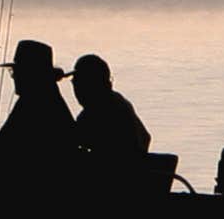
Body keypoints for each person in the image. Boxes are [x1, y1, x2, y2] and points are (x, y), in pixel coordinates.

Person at [0, 39, 80, 192]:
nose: (14, 77)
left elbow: (0, 154)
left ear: (31, 73)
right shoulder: (43, 97)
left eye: (17, 71)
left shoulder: (35, 103)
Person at [70, 53, 171, 195]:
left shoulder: (99, 109)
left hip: (115, 188)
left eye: (77, 83)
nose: (75, 89)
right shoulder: (117, 101)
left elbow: (69, 140)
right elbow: (145, 137)